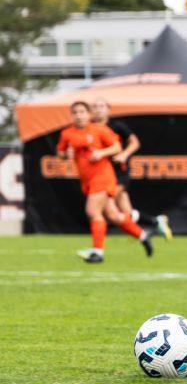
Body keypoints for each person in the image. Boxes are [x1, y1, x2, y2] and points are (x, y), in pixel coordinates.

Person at [56, 101, 153, 263]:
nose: (79, 116)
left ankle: (97, 253)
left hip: (102, 177)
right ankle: (143, 236)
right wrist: (66, 154)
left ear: (89, 115)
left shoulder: (99, 130)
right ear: (71, 115)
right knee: (114, 215)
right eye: (76, 113)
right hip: (86, 180)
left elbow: (116, 147)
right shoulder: (67, 133)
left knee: (93, 211)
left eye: (82, 112)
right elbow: (60, 153)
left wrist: (101, 153)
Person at [90, 99, 171, 240]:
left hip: (117, 172)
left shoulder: (116, 126)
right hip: (100, 173)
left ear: (108, 109)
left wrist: (124, 155)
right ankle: (155, 222)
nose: (98, 109)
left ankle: (140, 235)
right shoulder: (89, 129)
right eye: (95, 107)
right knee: (126, 213)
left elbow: (135, 142)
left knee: (108, 205)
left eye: (101, 106)